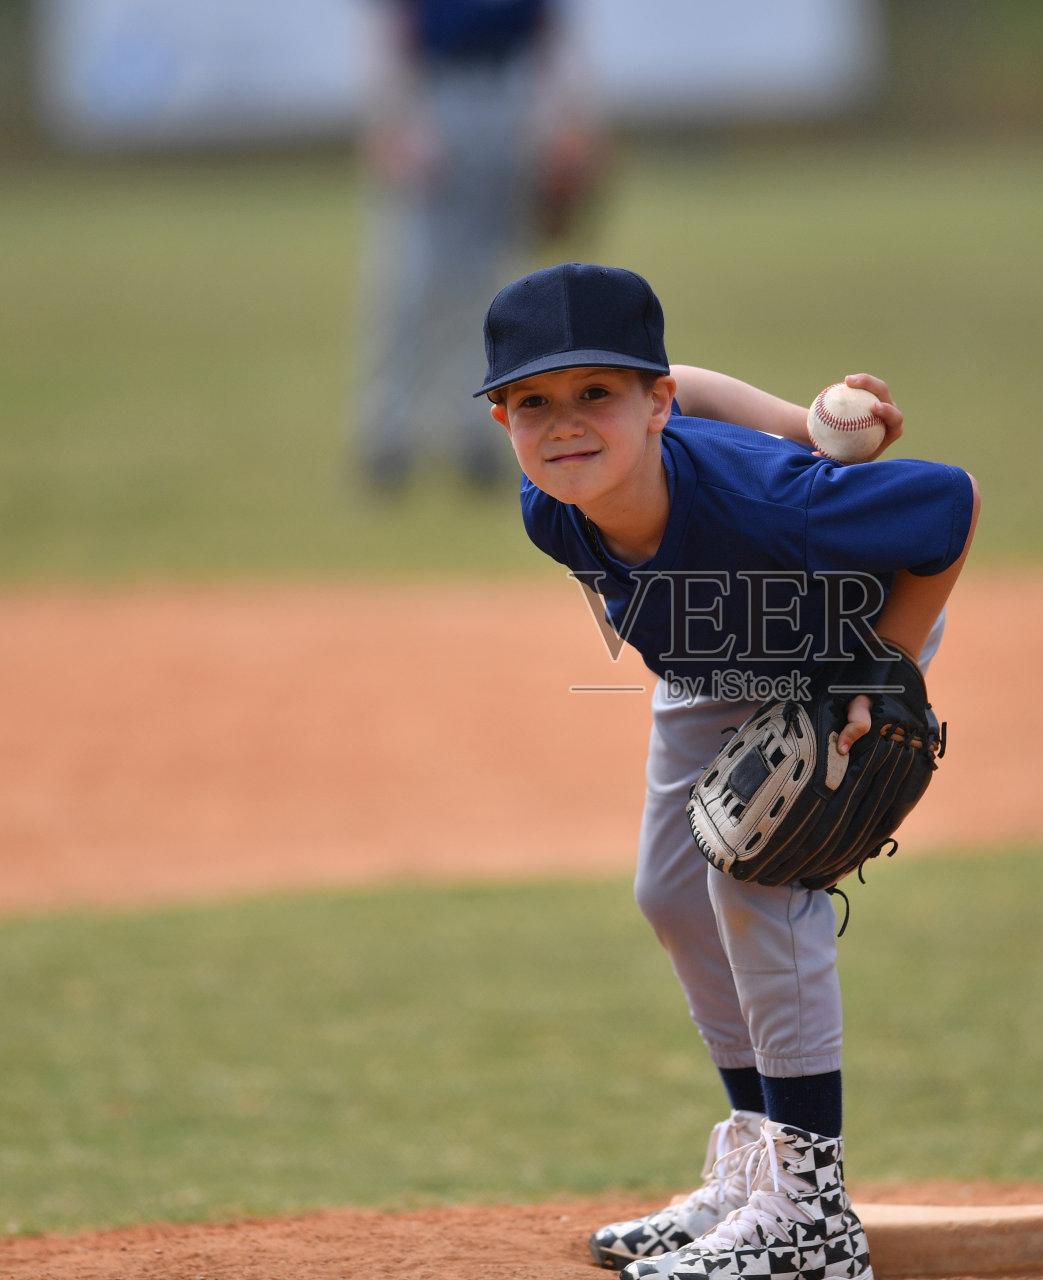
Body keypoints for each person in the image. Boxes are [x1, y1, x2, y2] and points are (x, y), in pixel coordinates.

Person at [478, 263, 980, 1280]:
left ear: (651, 404)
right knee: (668, 889)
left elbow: (945, 505)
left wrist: (885, 669)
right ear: (501, 421)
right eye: (535, 402)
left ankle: (808, 1210)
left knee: (752, 876)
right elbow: (681, 383)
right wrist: (797, 413)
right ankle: (755, 1167)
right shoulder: (549, 507)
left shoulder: (771, 501)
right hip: (710, 662)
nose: (566, 424)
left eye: (596, 396)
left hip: (839, 651)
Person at [354, 0, 604, 492]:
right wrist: (392, 122)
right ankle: (389, 434)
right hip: (434, 97)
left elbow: (551, 27)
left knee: (492, 286)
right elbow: (387, 25)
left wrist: (570, 119)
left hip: (515, 99)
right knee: (413, 282)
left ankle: (476, 431)